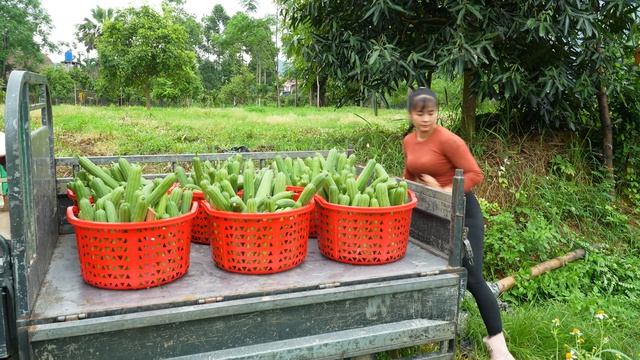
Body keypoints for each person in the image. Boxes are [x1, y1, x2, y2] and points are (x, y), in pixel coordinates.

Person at [402, 88, 515, 360]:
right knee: (435, 272)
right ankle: (435, 334)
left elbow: (476, 174)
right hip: (432, 217)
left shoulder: (449, 141)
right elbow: (409, 174)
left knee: (474, 278)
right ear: (411, 114)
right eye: (420, 113)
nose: (427, 119)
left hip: (464, 215)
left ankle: (498, 346)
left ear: (437, 112)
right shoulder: (408, 141)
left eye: (431, 113)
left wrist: (443, 189)